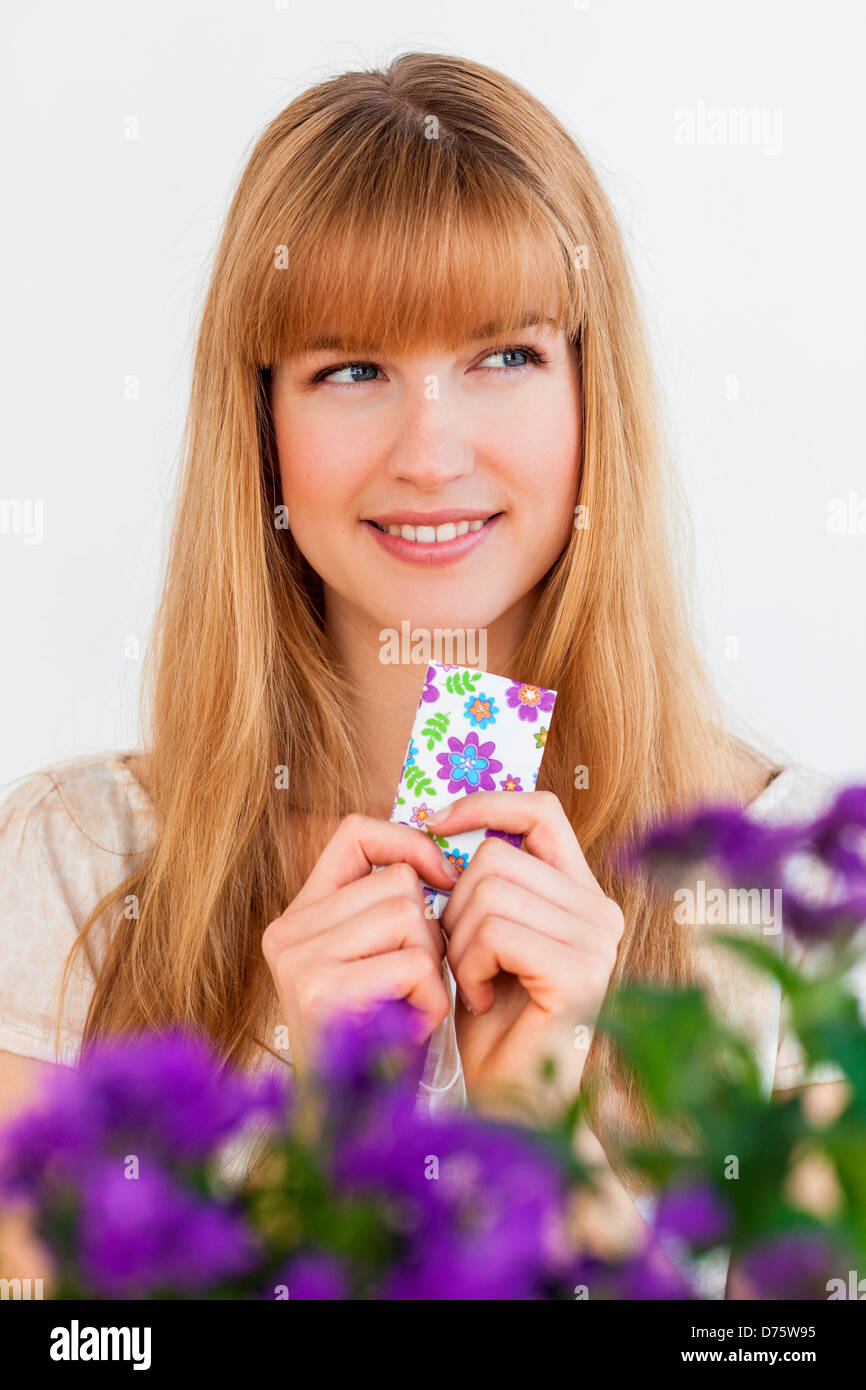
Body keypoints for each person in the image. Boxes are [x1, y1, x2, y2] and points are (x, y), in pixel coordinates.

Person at [0, 52, 853, 1298]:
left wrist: (542, 1159)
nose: (430, 449)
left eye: (502, 355)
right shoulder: (74, 873)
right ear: (262, 426)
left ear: (586, 393)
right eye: (350, 369)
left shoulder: (800, 907)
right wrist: (319, 1163)